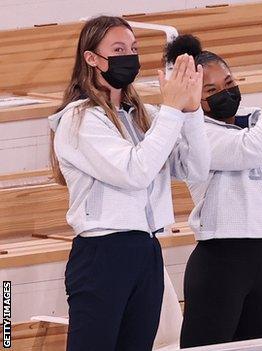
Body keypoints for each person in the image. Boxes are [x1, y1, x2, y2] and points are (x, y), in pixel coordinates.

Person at [48, 15, 210, 351]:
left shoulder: (144, 114)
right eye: (118, 49)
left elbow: (195, 168)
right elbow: (134, 171)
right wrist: (172, 110)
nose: (129, 55)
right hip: (103, 252)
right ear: (91, 58)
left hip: (147, 249)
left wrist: (192, 110)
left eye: (134, 48)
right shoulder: (80, 119)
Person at [162, 26, 262, 348]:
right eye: (210, 90)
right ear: (195, 95)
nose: (224, 93)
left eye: (229, 83)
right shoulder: (196, 135)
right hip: (220, 261)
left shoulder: (255, 120)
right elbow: (252, 149)